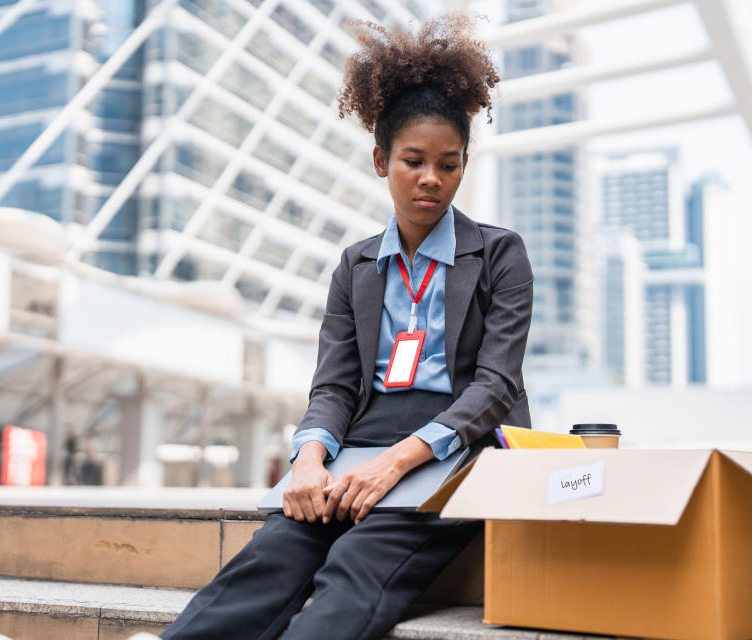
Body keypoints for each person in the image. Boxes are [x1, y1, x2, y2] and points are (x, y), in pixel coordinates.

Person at [161, 14, 533, 640]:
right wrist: (308, 461)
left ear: (464, 164)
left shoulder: (500, 254)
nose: (430, 179)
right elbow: (333, 386)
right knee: (267, 560)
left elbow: (494, 387)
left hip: (455, 449)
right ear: (381, 159)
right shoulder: (357, 265)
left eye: (449, 163)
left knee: (357, 567)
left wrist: (395, 463)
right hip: (357, 444)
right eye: (413, 160)